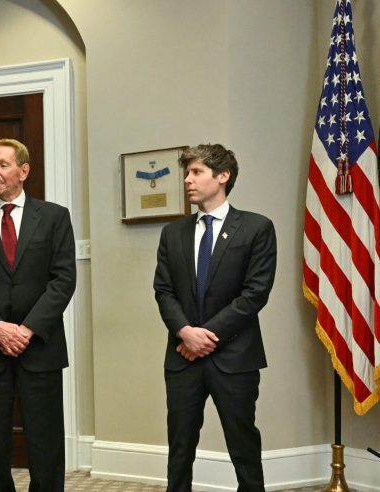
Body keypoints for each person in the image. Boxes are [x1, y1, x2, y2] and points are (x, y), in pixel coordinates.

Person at [0, 138, 76, 491]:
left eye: (3, 165)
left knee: (46, 439)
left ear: (24, 171)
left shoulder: (54, 217)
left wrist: (27, 329)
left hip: (41, 347)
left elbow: (63, 279)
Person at [153, 144, 276, 492]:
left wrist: (202, 337)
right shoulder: (172, 233)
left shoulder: (256, 228)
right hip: (182, 358)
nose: (187, 180)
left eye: (196, 172)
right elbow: (164, 291)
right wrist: (184, 332)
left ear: (223, 176)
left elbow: (255, 294)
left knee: (243, 446)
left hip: (234, 358)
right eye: (187, 173)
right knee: (179, 448)